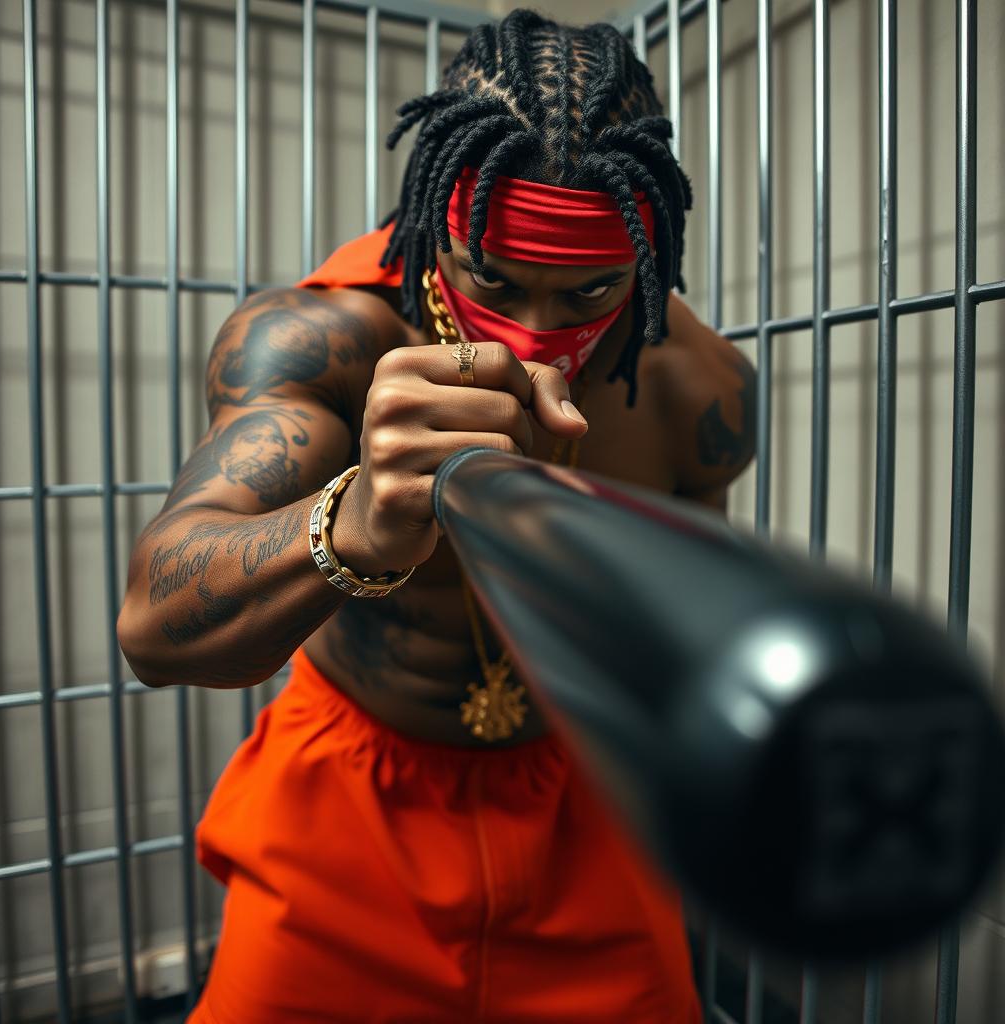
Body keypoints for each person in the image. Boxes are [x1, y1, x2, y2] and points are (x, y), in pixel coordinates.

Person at [118, 9, 756, 1021]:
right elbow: (152, 626)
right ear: (435, 221)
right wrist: (357, 519)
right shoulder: (323, 340)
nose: (540, 340)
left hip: (585, 807)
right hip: (347, 808)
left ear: (645, 248)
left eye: (588, 288)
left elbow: (686, 641)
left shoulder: (696, 385)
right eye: (492, 280)